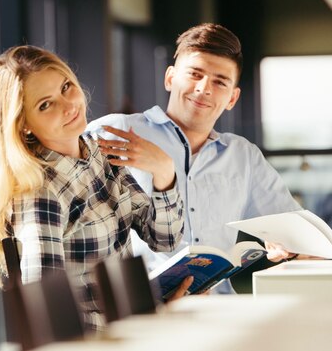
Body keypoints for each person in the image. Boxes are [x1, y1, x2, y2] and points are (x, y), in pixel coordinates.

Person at [0, 45, 187, 331]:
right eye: (45, 104)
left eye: (66, 87)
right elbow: (50, 319)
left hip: (131, 328)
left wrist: (164, 172)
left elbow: (163, 240)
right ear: (24, 125)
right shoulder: (42, 193)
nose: (68, 106)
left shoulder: (99, 153)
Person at [87, 23, 302, 293]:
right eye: (195, 74)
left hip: (219, 308)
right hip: (143, 305)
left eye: (219, 81)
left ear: (232, 98)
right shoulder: (115, 132)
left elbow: (295, 228)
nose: (204, 88)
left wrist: (287, 245)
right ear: (170, 78)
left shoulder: (243, 156)